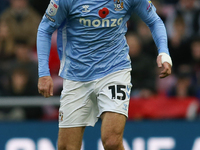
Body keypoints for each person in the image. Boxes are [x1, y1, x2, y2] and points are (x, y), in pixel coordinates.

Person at [37, 0, 172, 150]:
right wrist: (44, 73)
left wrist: (164, 51)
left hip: (114, 71)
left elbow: (154, 20)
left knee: (112, 141)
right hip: (76, 76)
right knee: (67, 147)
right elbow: (45, 29)